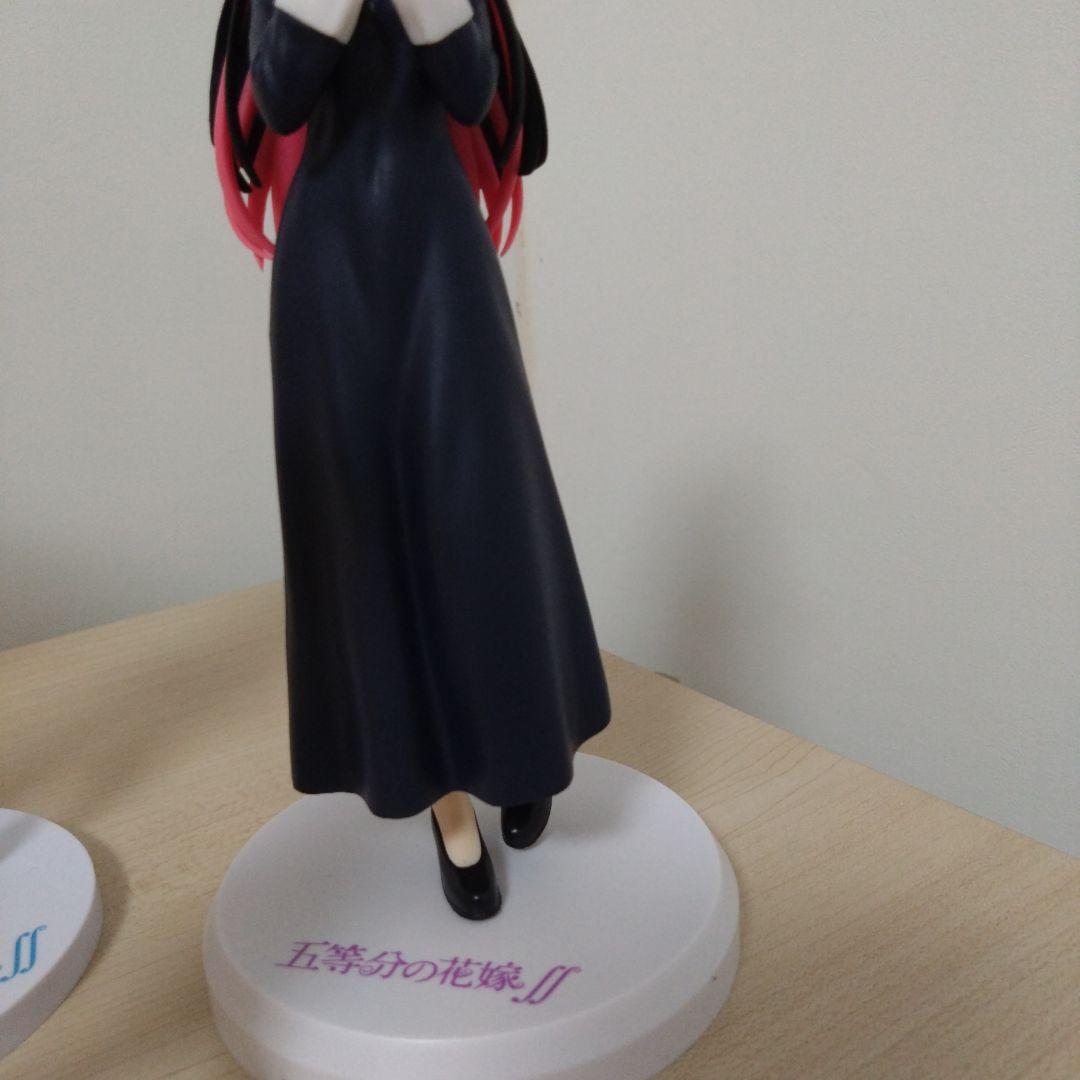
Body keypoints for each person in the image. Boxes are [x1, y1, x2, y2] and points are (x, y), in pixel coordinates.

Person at [209, 0, 611, 919]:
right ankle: (447, 807)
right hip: (330, 272)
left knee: (489, 507)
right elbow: (279, 91)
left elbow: (473, 90)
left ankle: (523, 746)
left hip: (442, 256)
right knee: (369, 531)